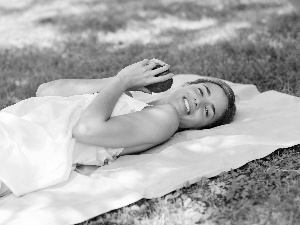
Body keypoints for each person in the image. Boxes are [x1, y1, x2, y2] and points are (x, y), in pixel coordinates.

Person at [0, 59, 236, 197]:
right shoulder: (133, 99)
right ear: (187, 86)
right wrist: (120, 84)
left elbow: (86, 130)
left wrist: (122, 81)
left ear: (202, 127)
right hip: (16, 126)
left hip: (23, 152)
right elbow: (47, 91)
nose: (198, 102)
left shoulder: (165, 119)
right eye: (201, 92)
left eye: (207, 111)